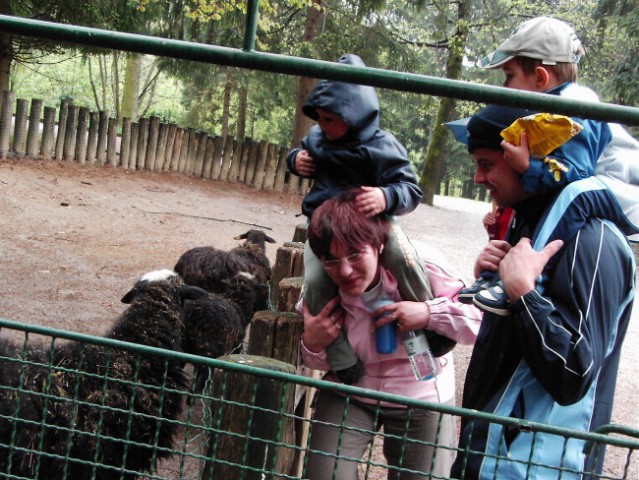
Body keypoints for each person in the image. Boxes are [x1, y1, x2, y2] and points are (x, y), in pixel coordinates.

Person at [450, 105, 636, 479]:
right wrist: (496, 279)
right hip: (489, 455)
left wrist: (524, 295)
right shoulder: (531, 226)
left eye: (486, 164)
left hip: (535, 468)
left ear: (526, 158)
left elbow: (573, 375)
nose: (477, 177)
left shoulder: (592, 241)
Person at [288, 53, 455, 385]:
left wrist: (385, 196)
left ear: (354, 115)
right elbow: (298, 153)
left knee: (405, 260)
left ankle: (429, 327)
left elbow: (409, 189)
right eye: (318, 118)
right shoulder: (319, 139)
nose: (322, 126)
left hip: (373, 228)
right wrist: (297, 160)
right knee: (317, 284)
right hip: (324, 230)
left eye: (329, 119)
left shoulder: (382, 145)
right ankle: (343, 359)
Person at [459, 16, 639, 314]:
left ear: (540, 78)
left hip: (624, 191)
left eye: (509, 76)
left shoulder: (574, 106)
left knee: (574, 194)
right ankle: (494, 276)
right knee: (534, 198)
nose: (504, 87)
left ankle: (530, 278)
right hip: (597, 182)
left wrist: (529, 167)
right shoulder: (549, 111)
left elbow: (577, 174)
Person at [298, 189, 482, 480]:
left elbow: (479, 325)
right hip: (351, 392)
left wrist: (428, 313)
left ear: (379, 245)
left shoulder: (424, 264)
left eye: (355, 254)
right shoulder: (320, 286)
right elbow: (318, 361)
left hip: (421, 395)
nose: (344, 271)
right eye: (332, 260)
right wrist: (313, 343)